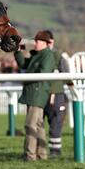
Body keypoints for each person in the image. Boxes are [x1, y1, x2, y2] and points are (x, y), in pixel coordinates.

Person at [14, 30, 56, 161]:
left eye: (38, 41)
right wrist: (18, 50)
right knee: (38, 125)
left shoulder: (47, 55)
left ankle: (30, 154)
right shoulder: (37, 55)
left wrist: (27, 75)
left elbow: (43, 72)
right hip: (33, 93)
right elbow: (23, 64)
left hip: (37, 93)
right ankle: (42, 154)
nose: (35, 43)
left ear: (46, 43)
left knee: (30, 124)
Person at [42, 30, 69, 158]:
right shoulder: (37, 55)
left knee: (56, 123)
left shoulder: (58, 56)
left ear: (52, 42)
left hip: (56, 94)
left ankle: (55, 151)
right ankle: (41, 150)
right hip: (42, 95)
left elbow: (67, 75)